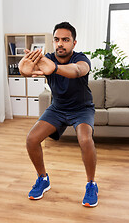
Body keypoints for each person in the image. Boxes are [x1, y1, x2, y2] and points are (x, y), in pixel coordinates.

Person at [18, 22, 98, 207]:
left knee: (85, 140)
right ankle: (43, 179)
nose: (60, 43)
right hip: (58, 108)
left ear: (74, 43)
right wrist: (25, 65)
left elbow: (77, 71)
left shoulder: (81, 58)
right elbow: (27, 71)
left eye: (65, 40)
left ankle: (91, 184)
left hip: (82, 108)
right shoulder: (47, 58)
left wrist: (53, 68)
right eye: (57, 39)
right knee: (31, 139)